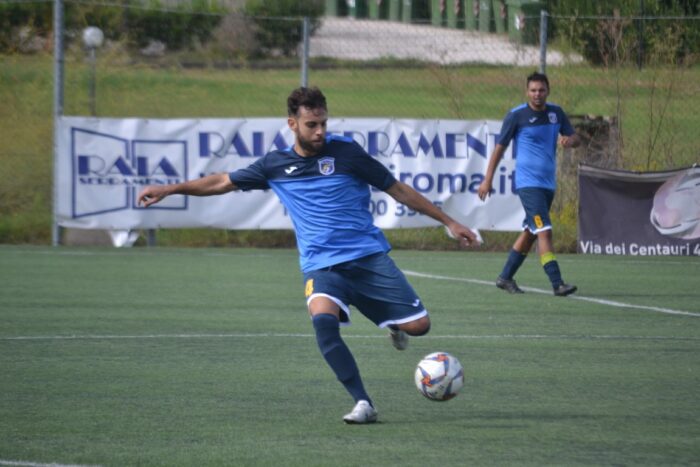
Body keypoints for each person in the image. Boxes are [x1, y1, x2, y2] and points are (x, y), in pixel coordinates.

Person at [138, 86, 479, 424]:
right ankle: (363, 402)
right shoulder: (274, 165)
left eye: (323, 124)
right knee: (323, 324)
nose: (319, 132)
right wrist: (170, 189)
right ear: (292, 124)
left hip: (367, 257)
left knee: (420, 327)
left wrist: (448, 222)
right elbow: (221, 182)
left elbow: (398, 189)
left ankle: (392, 324)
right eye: (311, 125)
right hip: (321, 265)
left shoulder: (347, 154)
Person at [477, 72, 581, 297]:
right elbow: (499, 149)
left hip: (548, 185)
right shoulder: (517, 115)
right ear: (527, 92)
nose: (537, 94)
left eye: (541, 90)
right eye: (533, 90)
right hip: (528, 184)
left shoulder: (556, 113)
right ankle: (557, 283)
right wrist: (487, 179)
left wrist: (568, 141)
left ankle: (505, 277)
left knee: (531, 231)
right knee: (544, 230)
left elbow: (575, 138)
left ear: (548, 91)